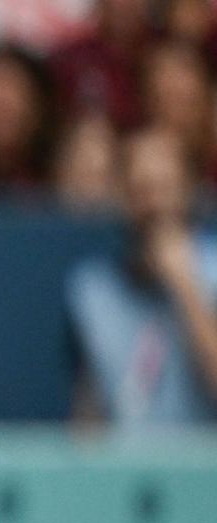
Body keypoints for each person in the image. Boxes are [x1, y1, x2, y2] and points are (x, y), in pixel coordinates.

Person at [68, 127, 217, 433]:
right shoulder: (93, 291)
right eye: (142, 189)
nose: (155, 204)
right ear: (122, 197)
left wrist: (186, 287)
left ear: (189, 190)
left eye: (166, 187)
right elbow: (88, 411)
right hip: (125, 460)